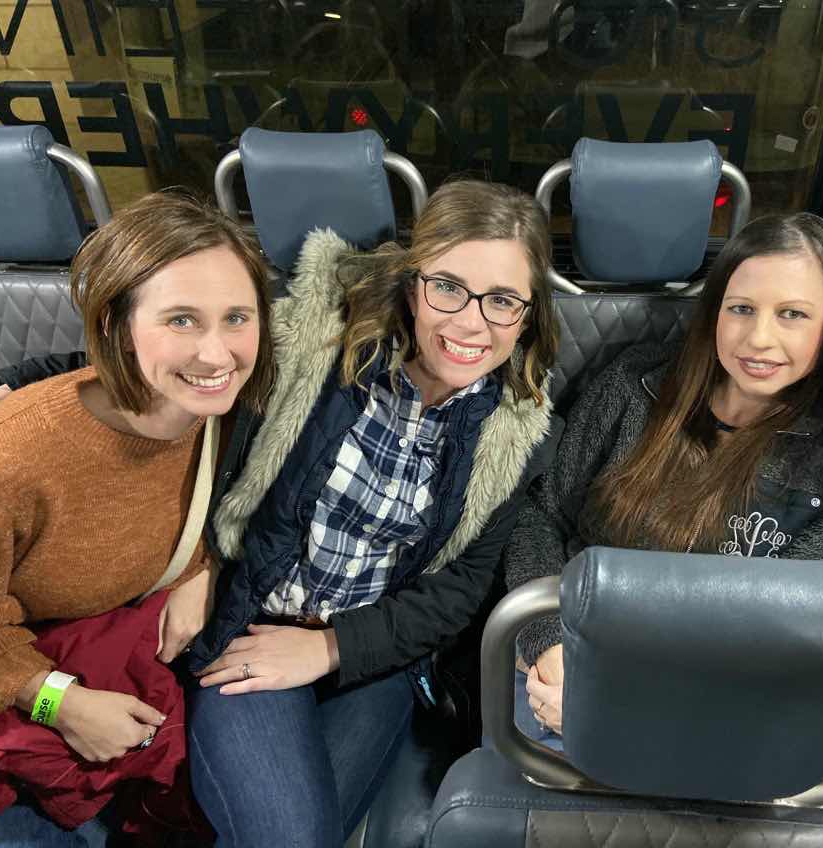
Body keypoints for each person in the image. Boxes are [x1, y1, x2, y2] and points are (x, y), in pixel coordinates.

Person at [178, 180, 560, 847]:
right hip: (256, 620)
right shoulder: (314, 344)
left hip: (373, 655)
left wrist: (329, 648)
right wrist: (192, 567)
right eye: (448, 288)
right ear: (413, 285)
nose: (471, 324)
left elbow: (456, 592)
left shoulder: (515, 429)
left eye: (501, 300)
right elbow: (164, 387)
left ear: (526, 316)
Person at [0, 191, 275, 845]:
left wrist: (203, 568)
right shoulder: (7, 464)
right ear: (115, 325)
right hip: (1, 718)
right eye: (181, 320)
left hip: (123, 685)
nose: (217, 354)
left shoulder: (235, 420)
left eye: (237, 317)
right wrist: (58, 701)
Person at [506, 213, 823, 746]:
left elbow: (793, 631)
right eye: (741, 309)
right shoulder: (634, 384)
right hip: (568, 662)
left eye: (793, 314)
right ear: (715, 312)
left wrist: (621, 706)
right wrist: (548, 646)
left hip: (712, 705)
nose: (759, 338)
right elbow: (544, 516)